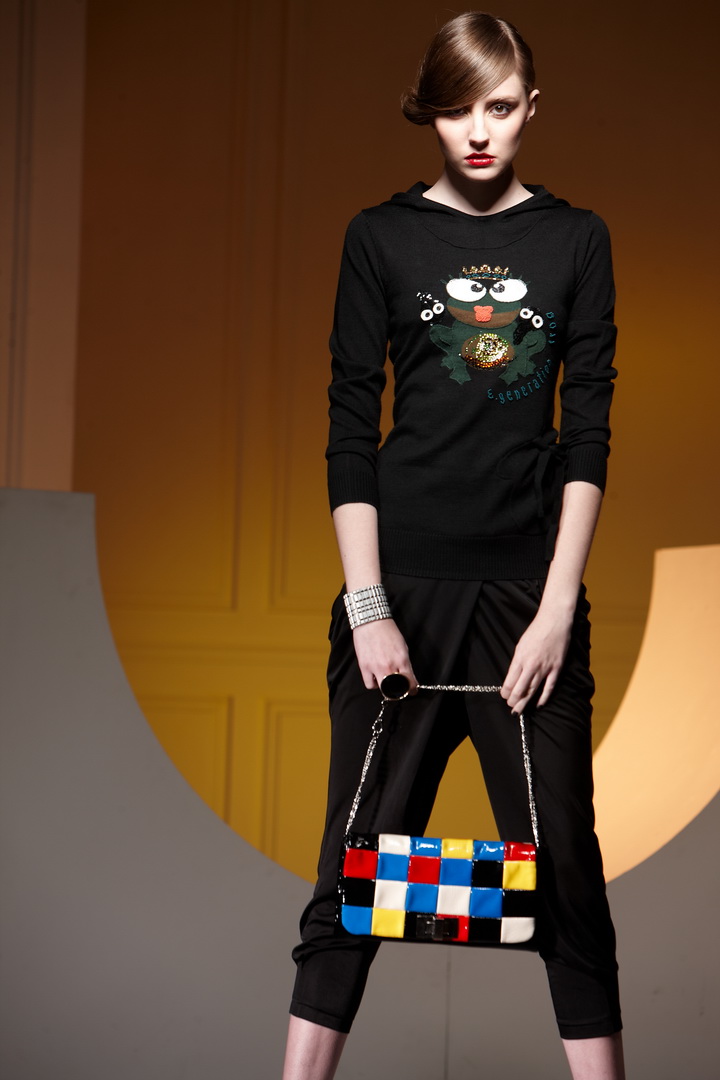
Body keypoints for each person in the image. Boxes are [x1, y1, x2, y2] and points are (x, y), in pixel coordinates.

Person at [282, 11, 625, 1080]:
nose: (479, 132)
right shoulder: (379, 237)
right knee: (353, 874)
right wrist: (368, 609)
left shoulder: (577, 240)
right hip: (400, 594)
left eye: (501, 107)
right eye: (458, 109)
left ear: (530, 109)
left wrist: (557, 609)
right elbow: (349, 425)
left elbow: (587, 432)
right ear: (428, 112)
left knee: (567, 881)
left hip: (529, 597)